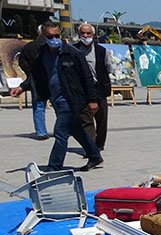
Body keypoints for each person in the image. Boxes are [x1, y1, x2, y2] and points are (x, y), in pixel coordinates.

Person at [11, 21, 102, 172]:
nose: (54, 38)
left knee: (60, 132)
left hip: (71, 100)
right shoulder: (41, 53)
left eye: (56, 35)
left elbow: (87, 77)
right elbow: (36, 76)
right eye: (50, 36)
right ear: (43, 36)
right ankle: (94, 156)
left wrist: (92, 100)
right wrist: (22, 87)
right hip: (55, 99)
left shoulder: (72, 53)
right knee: (76, 129)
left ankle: (54, 166)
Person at [74, 23, 111, 152]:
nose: (85, 36)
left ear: (93, 35)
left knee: (101, 120)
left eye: (88, 33)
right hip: (82, 90)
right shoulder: (74, 50)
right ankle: (90, 147)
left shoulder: (101, 51)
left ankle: (99, 145)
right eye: (83, 33)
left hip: (98, 88)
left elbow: (108, 68)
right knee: (86, 121)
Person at [18, 25, 48, 140]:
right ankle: (62, 130)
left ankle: (41, 132)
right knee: (59, 106)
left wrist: (29, 71)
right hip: (49, 79)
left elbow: (21, 60)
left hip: (35, 79)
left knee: (38, 106)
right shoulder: (49, 46)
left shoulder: (29, 46)